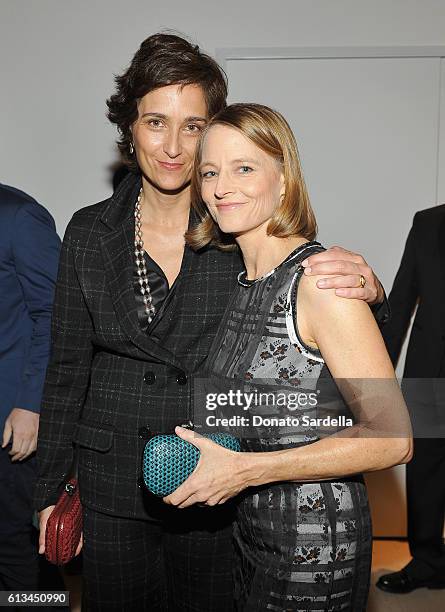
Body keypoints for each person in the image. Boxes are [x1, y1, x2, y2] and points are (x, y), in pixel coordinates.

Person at [35, 34, 389, 611]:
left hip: (219, 471)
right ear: (129, 129)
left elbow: (309, 307)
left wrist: (370, 290)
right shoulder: (88, 231)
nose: (174, 146)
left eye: (193, 125)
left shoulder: (238, 220)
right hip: (113, 472)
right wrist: (50, 486)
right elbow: (67, 365)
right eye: (155, 122)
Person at [164, 103, 413, 611]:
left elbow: (395, 438)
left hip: (315, 546)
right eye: (210, 172)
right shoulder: (243, 281)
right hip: (250, 536)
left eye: (245, 168)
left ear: (284, 181)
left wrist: (246, 471)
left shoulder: (323, 283)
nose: (221, 186)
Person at [376, 204, 445, 593]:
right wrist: (375, 382)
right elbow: (401, 301)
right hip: (430, 370)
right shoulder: (428, 222)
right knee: (425, 473)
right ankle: (427, 562)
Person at [0, 184, 60, 598]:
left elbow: (58, 314)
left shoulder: (18, 216)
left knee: (19, 551)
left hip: (11, 423)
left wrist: (31, 405)